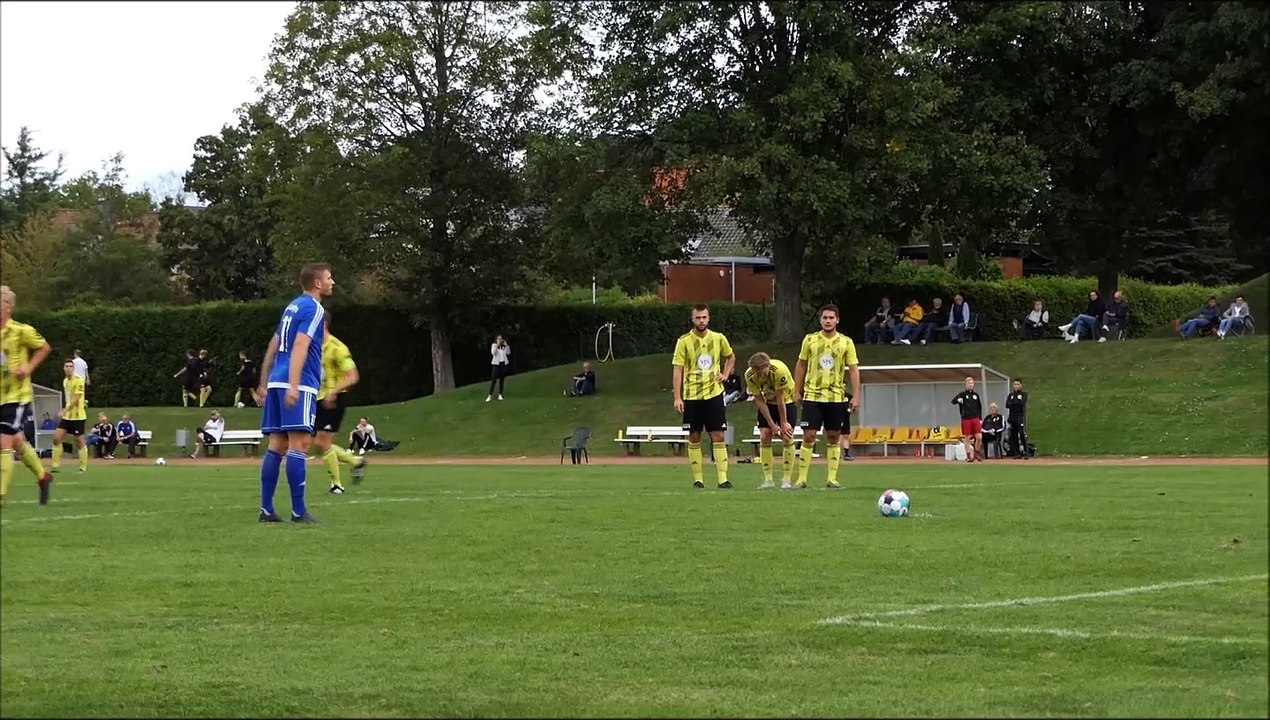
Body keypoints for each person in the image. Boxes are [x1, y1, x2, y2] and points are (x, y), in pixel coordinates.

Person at [256, 262, 334, 524]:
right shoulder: (314, 309)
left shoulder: (292, 306)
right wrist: (293, 383)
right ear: (317, 283)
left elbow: (274, 343)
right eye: (329, 278)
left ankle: (266, 510)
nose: (332, 282)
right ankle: (298, 511)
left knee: (277, 445)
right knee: (299, 444)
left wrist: (264, 381)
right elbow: (301, 345)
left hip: (277, 379)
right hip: (298, 382)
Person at [793, 304, 861, 490]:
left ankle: (832, 479)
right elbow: (801, 365)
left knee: (833, 436)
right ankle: (801, 479)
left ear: (837, 320)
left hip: (836, 397)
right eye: (825, 318)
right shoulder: (810, 340)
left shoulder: (846, 342)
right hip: (813, 395)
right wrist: (796, 390)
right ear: (820, 320)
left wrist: (856, 396)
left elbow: (854, 370)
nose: (828, 321)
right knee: (809, 435)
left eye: (832, 318)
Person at [0, 285, 55, 506]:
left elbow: (44, 347)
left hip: (17, 395)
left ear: (8, 306)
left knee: (3, 439)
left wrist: (28, 368)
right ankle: (43, 477)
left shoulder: (21, 330)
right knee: (17, 441)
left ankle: (1, 494)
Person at [671, 304, 735, 489]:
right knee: (694, 436)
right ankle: (698, 479)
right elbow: (678, 370)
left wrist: (725, 374)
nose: (701, 321)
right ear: (693, 319)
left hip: (714, 394)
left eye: (704, 317)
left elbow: (730, 357)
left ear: (709, 318)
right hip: (692, 396)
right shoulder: (683, 341)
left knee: (718, 435)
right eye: (698, 318)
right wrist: (677, 397)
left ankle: (723, 479)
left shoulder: (718, 338)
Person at [313, 316, 368, 494]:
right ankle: (355, 462)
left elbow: (352, 376)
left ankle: (337, 484)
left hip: (333, 399)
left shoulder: (337, 347)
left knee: (322, 442)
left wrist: (333, 391)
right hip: (316, 398)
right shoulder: (312, 346)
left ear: (323, 324)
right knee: (317, 443)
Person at [744, 352, 797, 489]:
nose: (761, 374)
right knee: (765, 435)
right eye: (757, 371)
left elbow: (781, 399)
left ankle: (786, 479)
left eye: (763, 370)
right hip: (767, 402)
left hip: (786, 401)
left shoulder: (779, 371)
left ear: (767, 365)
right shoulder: (749, 375)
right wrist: (772, 424)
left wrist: (783, 422)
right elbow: (759, 400)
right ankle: (768, 479)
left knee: (787, 436)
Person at [50, 359, 89, 473]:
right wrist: (65, 412)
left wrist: (65, 409)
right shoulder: (65, 381)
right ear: (63, 368)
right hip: (67, 417)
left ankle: (82, 467)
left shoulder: (78, 380)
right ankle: (55, 465)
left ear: (73, 368)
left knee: (79, 442)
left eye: (70, 366)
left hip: (78, 417)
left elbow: (76, 399)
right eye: (66, 366)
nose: (68, 368)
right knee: (57, 438)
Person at [951, 376, 984, 462]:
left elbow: (979, 407)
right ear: (965, 385)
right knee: (967, 438)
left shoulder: (975, 395)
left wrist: (980, 418)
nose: (970, 385)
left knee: (979, 437)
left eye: (972, 383)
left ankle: (977, 453)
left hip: (975, 418)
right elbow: (953, 401)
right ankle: (969, 455)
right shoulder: (962, 394)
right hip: (966, 419)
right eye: (969, 383)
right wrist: (958, 400)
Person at [1005, 379, 1029, 460]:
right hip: (1012, 416)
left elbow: (1022, 403)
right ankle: (1017, 452)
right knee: (1014, 434)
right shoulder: (1010, 395)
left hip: (1020, 416)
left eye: (1018, 384)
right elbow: (1007, 405)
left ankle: (1026, 451)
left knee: (1021, 433)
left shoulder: (1023, 394)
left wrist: (1014, 403)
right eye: (1015, 384)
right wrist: (1016, 403)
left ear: (1021, 385)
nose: (1016, 386)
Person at [486, 334, 511, 402]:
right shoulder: (494, 345)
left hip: (503, 364)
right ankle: (490, 395)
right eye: (498, 339)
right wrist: (497, 345)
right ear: (496, 340)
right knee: (494, 380)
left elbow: (508, 353)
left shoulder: (503, 347)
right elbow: (493, 353)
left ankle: (500, 394)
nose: (500, 340)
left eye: (501, 339)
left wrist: (506, 346)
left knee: (501, 380)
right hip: (496, 364)